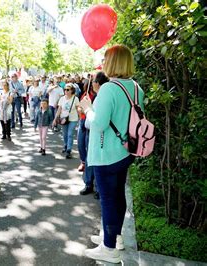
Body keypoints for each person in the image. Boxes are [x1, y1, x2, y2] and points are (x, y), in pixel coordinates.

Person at [79, 45, 142, 264]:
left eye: (106, 59)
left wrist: (87, 109)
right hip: (126, 151)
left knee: (108, 199)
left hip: (106, 153)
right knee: (118, 196)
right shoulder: (136, 88)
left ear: (113, 62)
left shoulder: (108, 89)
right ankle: (115, 237)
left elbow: (97, 124)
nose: (103, 62)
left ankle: (109, 248)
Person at [78, 72, 109, 198]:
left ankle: (97, 188)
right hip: (88, 129)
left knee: (96, 159)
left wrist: (87, 108)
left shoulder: (102, 97)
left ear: (97, 83)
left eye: (94, 81)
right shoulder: (95, 95)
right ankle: (89, 183)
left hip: (96, 131)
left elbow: (96, 120)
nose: (93, 84)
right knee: (89, 157)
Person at [53, 83, 79, 159]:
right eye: (65, 90)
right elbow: (59, 109)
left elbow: (78, 109)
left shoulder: (75, 99)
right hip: (63, 119)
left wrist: (81, 118)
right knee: (64, 134)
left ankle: (69, 150)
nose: (66, 91)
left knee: (70, 134)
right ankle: (65, 145)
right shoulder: (62, 99)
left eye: (68, 90)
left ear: (72, 90)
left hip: (73, 119)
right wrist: (55, 119)